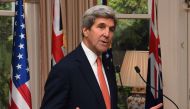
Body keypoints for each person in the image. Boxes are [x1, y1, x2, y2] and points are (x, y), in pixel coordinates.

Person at [40, 5, 163, 109]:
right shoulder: (65, 69)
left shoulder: (107, 65)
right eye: (101, 27)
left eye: (111, 29)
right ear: (85, 30)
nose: (107, 34)